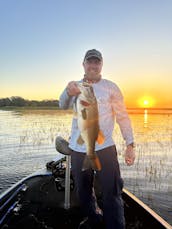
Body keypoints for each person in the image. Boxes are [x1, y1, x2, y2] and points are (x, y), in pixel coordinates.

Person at [59, 49, 135, 229]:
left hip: (106, 147)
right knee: (83, 192)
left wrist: (130, 144)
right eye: (89, 62)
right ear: (83, 64)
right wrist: (69, 93)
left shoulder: (111, 87)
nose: (93, 66)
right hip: (78, 149)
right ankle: (94, 218)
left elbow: (123, 116)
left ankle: (115, 225)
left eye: (97, 62)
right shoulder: (75, 86)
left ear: (101, 65)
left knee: (112, 191)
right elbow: (62, 105)